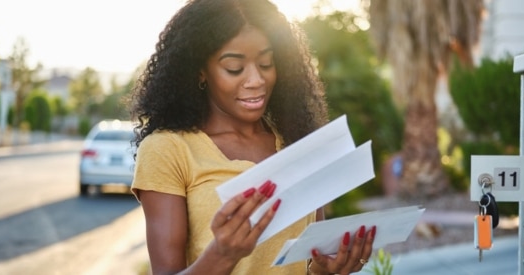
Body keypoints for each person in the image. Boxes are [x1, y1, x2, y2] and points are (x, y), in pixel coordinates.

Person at [128, 0, 376, 274]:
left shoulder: (295, 139)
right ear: (200, 71)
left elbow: (304, 264)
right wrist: (222, 255)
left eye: (266, 63)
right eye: (234, 67)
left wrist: (325, 269)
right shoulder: (167, 149)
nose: (256, 80)